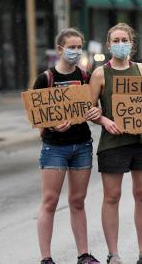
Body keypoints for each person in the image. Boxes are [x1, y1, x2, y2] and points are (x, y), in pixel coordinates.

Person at [89, 23, 142, 264]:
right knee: (112, 196)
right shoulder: (99, 74)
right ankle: (113, 254)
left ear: (132, 44)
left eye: (123, 40)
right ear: (108, 45)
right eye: (115, 41)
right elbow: (88, 107)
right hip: (113, 141)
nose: (120, 44)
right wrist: (103, 119)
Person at [32, 28, 102, 264]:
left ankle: (83, 254)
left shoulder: (85, 76)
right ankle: (46, 258)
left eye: (79, 47)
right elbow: (36, 114)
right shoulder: (45, 79)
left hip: (81, 145)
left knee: (77, 201)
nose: (76, 51)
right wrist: (53, 126)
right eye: (71, 47)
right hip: (55, 148)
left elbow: (96, 106)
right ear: (60, 49)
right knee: (50, 200)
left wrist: (96, 112)